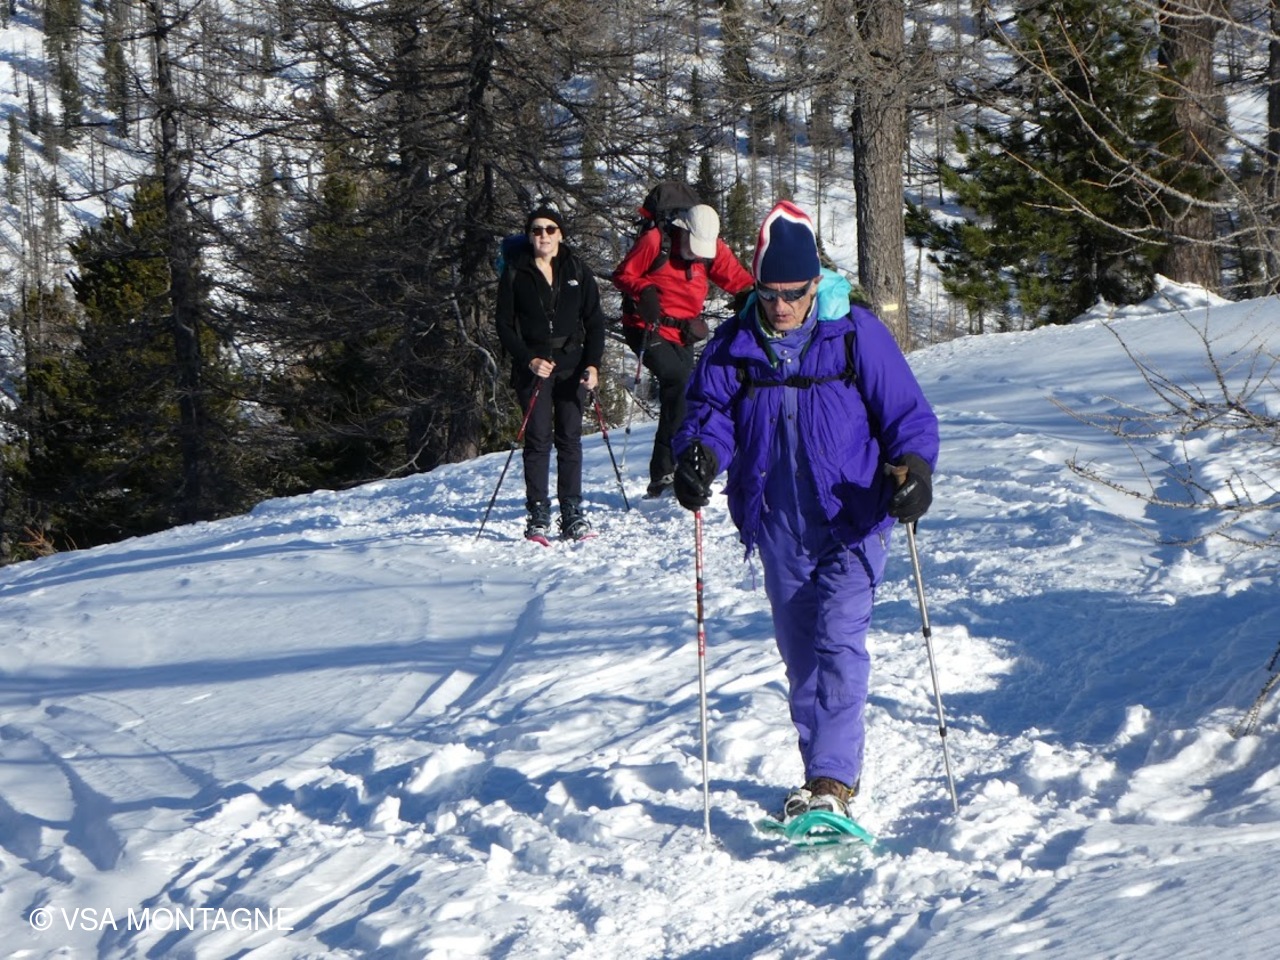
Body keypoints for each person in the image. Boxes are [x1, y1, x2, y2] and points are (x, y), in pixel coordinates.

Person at [671, 200, 940, 820]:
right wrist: (699, 458)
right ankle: (818, 774)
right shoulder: (735, 343)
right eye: (769, 294)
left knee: (838, 643)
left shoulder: (855, 333)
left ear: (816, 284)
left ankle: (832, 782)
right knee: (800, 656)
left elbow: (907, 416)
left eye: (794, 293)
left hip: (853, 516)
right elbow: (708, 416)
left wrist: (916, 471)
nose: (782, 306)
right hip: (778, 523)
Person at [612, 193, 754, 498]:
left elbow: (737, 279)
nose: (697, 256)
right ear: (682, 230)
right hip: (645, 327)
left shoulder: (711, 248)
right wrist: (644, 289)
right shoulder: (655, 241)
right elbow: (622, 275)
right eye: (693, 247)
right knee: (677, 382)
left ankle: (678, 467)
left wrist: (756, 298)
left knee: (686, 394)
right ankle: (663, 472)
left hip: (683, 333)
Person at [495, 202, 607, 543]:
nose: (543, 235)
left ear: (560, 234)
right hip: (534, 367)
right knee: (538, 438)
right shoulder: (515, 271)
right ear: (529, 236)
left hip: (572, 364)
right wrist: (528, 360)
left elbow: (594, 320)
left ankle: (571, 511)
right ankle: (538, 514)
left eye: (550, 229)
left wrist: (592, 364)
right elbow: (504, 325)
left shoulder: (577, 269)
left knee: (570, 439)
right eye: (536, 230)